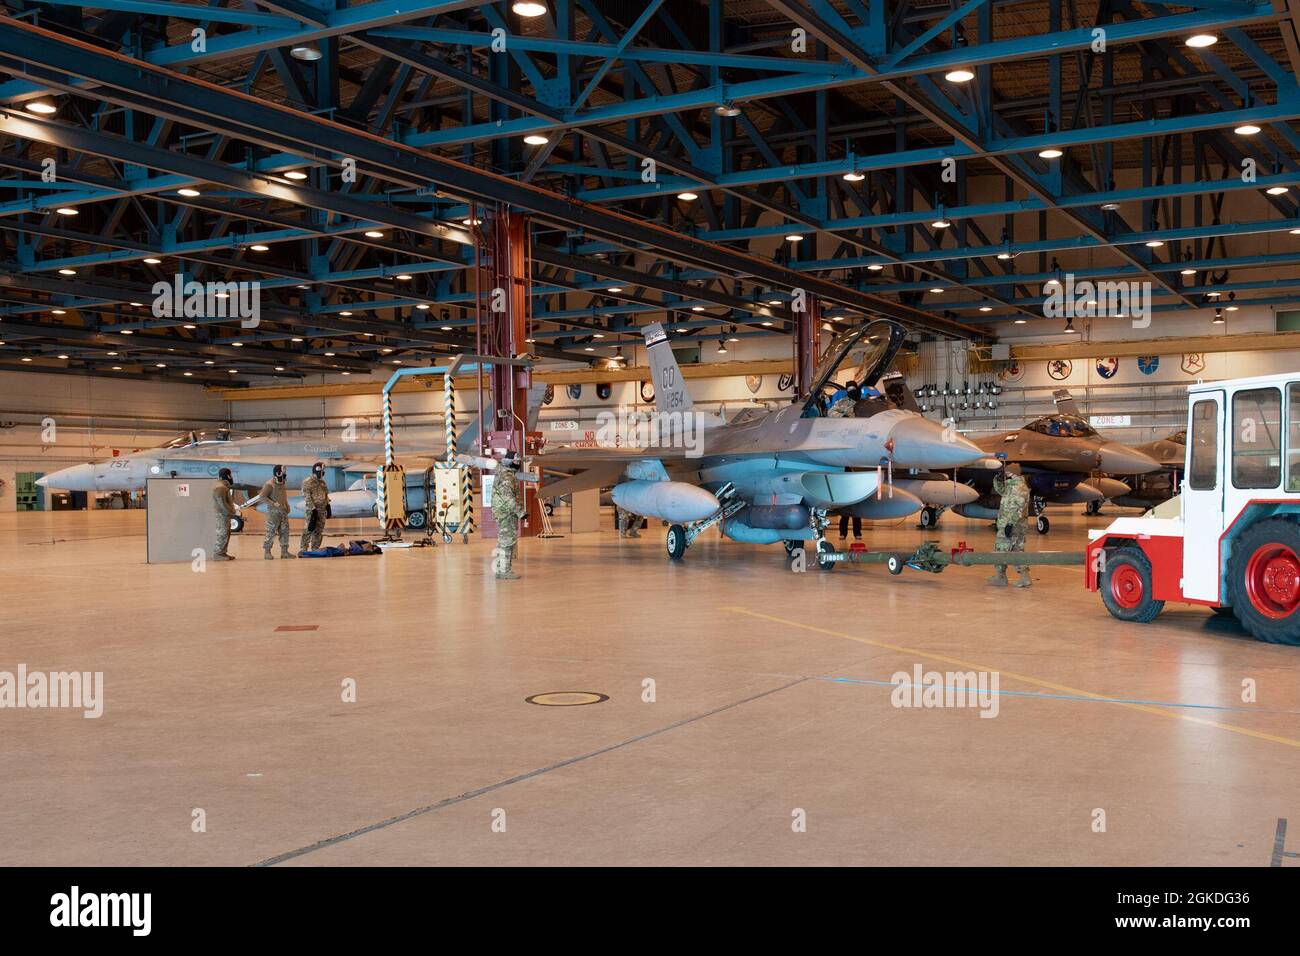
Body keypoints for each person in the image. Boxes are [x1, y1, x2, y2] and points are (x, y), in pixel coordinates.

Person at [989, 464, 1031, 588]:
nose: (1006, 475)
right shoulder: (1011, 486)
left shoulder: (1019, 488)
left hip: (1013, 525)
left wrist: (1010, 524)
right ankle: (1022, 577)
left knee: (1004, 549)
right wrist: (996, 479)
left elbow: (1019, 508)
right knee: (1014, 549)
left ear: (1014, 473)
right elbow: (1001, 490)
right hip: (1008, 524)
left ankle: (1001, 577)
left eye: (1008, 473)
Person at [491, 451, 523, 579]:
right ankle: (504, 571)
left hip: (503, 512)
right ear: (510, 462)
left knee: (503, 541)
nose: (518, 464)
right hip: (506, 513)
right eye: (516, 461)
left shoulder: (503, 471)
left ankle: (501, 569)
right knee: (507, 542)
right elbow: (508, 498)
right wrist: (521, 512)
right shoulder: (507, 477)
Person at [251, 464, 295, 560]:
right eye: (283, 472)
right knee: (271, 532)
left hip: (283, 512)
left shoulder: (282, 483)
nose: (285, 474)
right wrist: (273, 503)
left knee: (284, 532)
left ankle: (284, 552)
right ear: (278, 473)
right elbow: (262, 496)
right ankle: (267, 552)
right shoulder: (269, 484)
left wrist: (287, 505)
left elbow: (283, 495)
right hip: (273, 513)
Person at [300, 461, 331, 553]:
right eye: (322, 471)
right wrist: (313, 509)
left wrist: (328, 505)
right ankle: (303, 548)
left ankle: (315, 548)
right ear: (317, 471)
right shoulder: (307, 482)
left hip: (321, 510)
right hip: (312, 510)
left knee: (319, 530)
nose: (323, 473)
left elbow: (325, 494)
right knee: (308, 529)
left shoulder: (322, 482)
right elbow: (307, 497)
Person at [212, 467, 237, 561]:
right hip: (222, 514)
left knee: (226, 533)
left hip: (223, 514)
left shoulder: (221, 486)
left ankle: (222, 552)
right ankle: (218, 553)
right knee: (222, 533)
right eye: (230, 475)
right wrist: (229, 511)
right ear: (227, 476)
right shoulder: (220, 487)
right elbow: (221, 502)